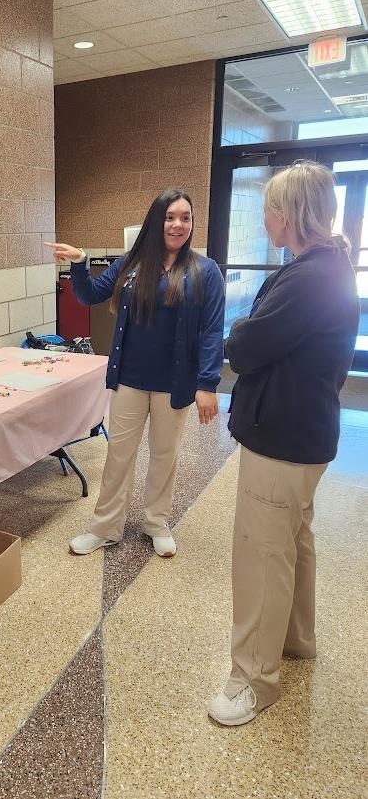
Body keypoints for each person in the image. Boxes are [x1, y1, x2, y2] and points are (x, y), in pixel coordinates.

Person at [207, 160, 360, 727]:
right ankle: (296, 638)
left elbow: (245, 347)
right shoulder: (327, 267)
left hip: (283, 440)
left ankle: (253, 678)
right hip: (306, 436)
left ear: (291, 212)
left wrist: (239, 333)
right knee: (294, 541)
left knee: (263, 555)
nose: (265, 215)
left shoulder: (310, 277)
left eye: (271, 205)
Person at [46, 188, 225, 557]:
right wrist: (80, 262)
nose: (178, 225)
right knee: (119, 456)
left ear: (192, 224)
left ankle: (156, 523)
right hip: (129, 378)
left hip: (174, 385)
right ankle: (104, 527)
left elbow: (211, 331)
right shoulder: (133, 263)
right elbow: (90, 294)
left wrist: (207, 383)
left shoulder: (205, 272)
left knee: (164, 455)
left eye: (185, 218)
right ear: (156, 221)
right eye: (170, 217)